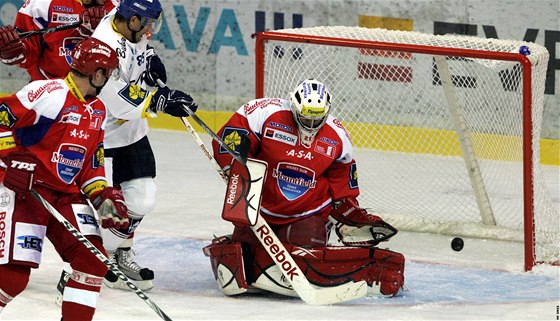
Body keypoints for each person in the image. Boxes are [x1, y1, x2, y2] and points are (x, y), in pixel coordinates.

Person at [203, 79, 405, 298]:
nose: (310, 124)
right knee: (244, 266)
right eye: (305, 117)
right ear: (293, 106)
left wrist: (348, 213)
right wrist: (234, 161)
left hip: (307, 213)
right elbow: (229, 141)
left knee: (307, 253)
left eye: (317, 118)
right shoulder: (263, 113)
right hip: (260, 209)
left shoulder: (338, 137)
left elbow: (342, 184)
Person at [0, 38, 128, 321]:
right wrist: (12, 163)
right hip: (25, 191)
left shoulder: (98, 110)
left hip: (65, 195)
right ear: (96, 74)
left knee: (92, 261)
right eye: (107, 73)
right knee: (11, 278)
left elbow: (91, 163)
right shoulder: (49, 93)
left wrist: (102, 196)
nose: (108, 79)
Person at [84, 0, 198, 291]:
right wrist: (159, 100)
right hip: (103, 135)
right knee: (109, 207)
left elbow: (141, 50)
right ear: (132, 21)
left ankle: (119, 252)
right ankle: (97, 256)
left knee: (143, 199)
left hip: (132, 133)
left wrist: (151, 61)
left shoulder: (125, 20)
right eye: (147, 24)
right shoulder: (104, 45)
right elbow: (114, 99)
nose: (151, 30)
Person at [0, 0, 112, 80]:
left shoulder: (122, 8)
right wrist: (13, 52)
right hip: (51, 95)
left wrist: (103, 31)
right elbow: (27, 56)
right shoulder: (42, 4)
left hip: (108, 98)